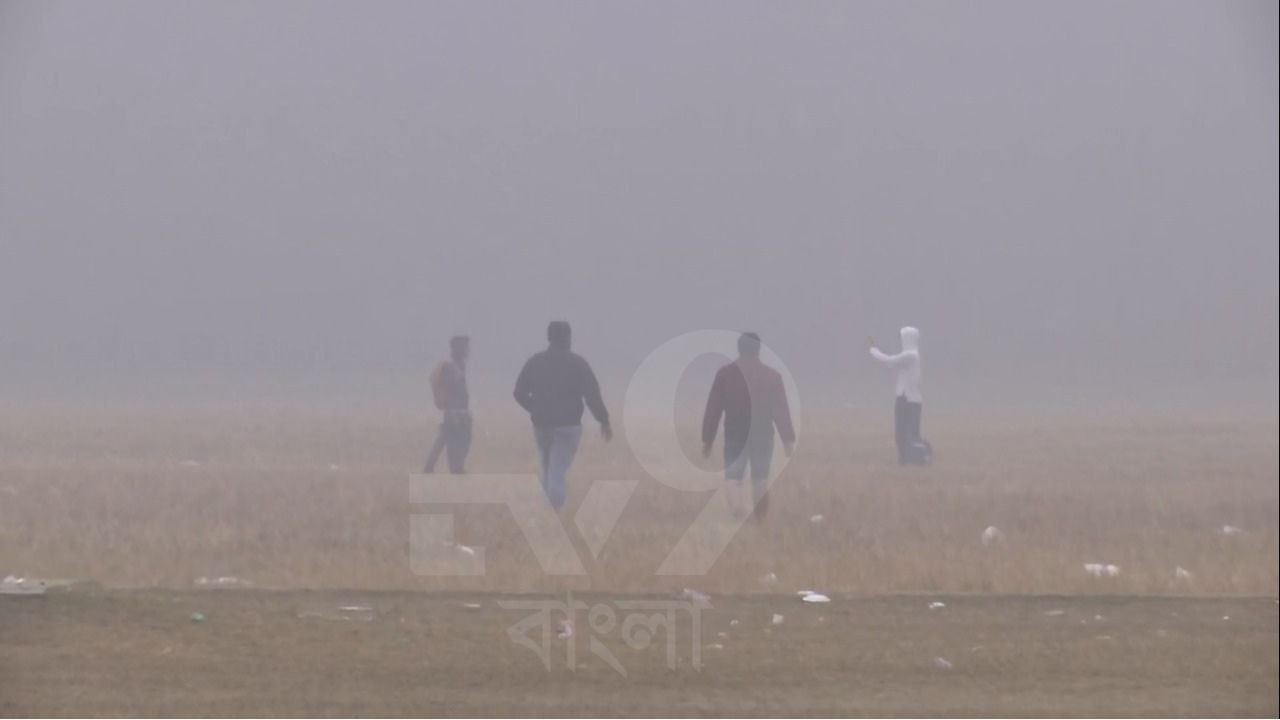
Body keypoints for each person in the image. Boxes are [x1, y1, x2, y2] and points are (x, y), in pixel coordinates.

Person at [513, 321, 612, 509]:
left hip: (541, 425)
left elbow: (518, 392)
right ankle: (554, 512)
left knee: (548, 468)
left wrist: (535, 408)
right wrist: (604, 420)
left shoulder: (535, 361)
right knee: (557, 470)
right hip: (568, 425)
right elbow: (592, 395)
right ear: (567, 337)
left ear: (549, 337)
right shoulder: (578, 363)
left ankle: (545, 510)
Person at [702, 332, 796, 519]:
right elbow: (781, 409)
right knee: (760, 479)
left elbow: (714, 408)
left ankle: (737, 511)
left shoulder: (725, 375)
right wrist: (787, 439)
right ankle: (759, 518)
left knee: (733, 478)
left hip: (735, 433)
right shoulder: (772, 377)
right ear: (758, 349)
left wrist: (707, 439)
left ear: (739, 348)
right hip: (763, 435)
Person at [868, 326, 931, 465]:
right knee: (901, 434)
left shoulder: (911, 355)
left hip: (910, 401)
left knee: (911, 435)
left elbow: (889, 360)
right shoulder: (909, 357)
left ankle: (921, 458)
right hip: (904, 399)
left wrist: (873, 350)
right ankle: (904, 460)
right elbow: (890, 364)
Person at [424, 335, 472, 474]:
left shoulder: (458, 365)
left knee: (448, 439)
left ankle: (437, 467)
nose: (468, 351)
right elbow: (452, 388)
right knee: (453, 440)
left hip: (458, 412)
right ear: (459, 349)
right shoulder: (451, 367)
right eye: (465, 347)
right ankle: (452, 468)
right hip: (454, 412)